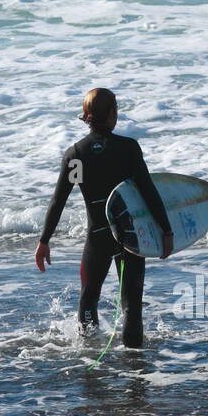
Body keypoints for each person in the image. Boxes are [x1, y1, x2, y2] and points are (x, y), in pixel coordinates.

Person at [35, 88, 173, 348]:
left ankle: (89, 356)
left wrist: (44, 240)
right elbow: (148, 192)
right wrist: (166, 231)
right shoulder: (128, 149)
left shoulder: (76, 155)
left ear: (87, 117)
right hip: (129, 238)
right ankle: (136, 368)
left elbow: (58, 200)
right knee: (131, 302)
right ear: (112, 114)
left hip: (97, 236)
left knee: (88, 298)